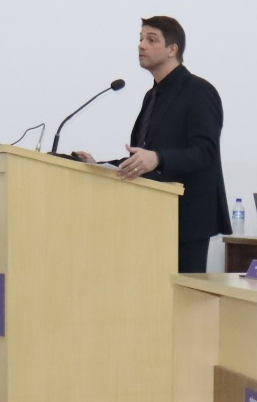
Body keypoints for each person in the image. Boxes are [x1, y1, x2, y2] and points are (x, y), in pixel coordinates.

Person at [74, 16, 230, 274]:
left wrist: (158, 158)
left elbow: (205, 153)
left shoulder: (199, 91)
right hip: (150, 217)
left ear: (172, 49)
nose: (141, 45)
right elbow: (143, 155)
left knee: (181, 296)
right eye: (140, 39)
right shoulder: (152, 96)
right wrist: (98, 165)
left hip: (186, 219)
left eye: (151, 39)